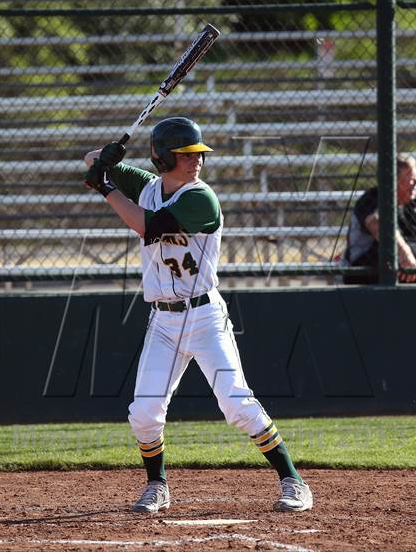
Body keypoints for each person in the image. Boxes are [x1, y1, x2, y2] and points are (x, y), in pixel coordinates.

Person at [84, 116, 313, 514]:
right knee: (144, 413)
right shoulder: (149, 187)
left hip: (205, 318)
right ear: (165, 158)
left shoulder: (200, 198)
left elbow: (147, 226)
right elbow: (91, 159)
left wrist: (105, 185)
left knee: (236, 403)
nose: (197, 161)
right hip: (163, 321)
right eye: (187, 155)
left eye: (198, 154)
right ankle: (157, 486)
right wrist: (107, 157)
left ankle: (293, 480)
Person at [343, 153, 416, 284]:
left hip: (404, 268)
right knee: (391, 256)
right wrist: (405, 254)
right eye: (412, 179)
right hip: (363, 271)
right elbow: (378, 224)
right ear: (394, 180)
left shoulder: (411, 205)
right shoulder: (371, 198)